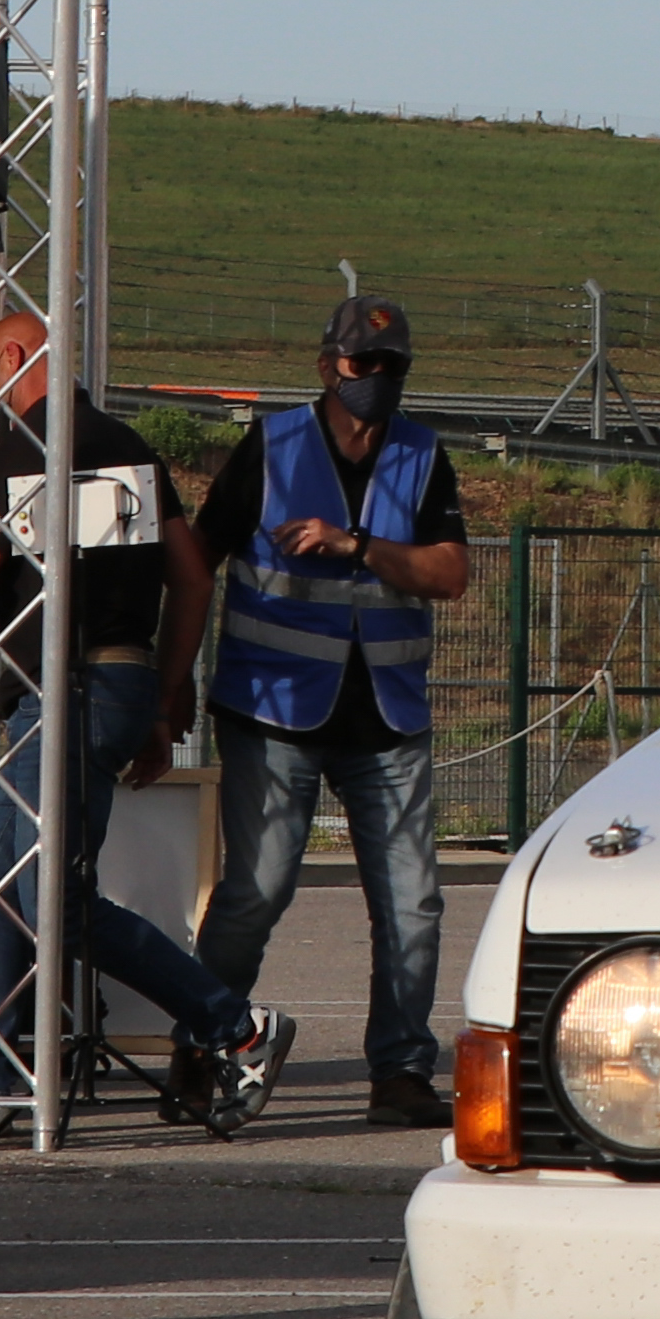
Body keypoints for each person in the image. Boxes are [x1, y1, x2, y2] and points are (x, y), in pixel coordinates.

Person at [0, 308, 281, 1143]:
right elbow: (193, 579)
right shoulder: (132, 447)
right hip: (116, 684)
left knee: (50, 896)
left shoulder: (20, 453)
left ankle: (233, 1024)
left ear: (13, 358)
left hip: (59, 692)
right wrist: (165, 696)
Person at [185, 294, 472, 1135]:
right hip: (273, 713)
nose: (377, 380)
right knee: (257, 891)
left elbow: (450, 573)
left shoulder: (423, 457)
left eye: (393, 368)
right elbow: (197, 566)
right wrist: (169, 683)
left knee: (414, 901)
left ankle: (402, 1070)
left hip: (386, 715)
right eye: (362, 365)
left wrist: (358, 547)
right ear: (326, 366)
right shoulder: (268, 449)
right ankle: (204, 1041)